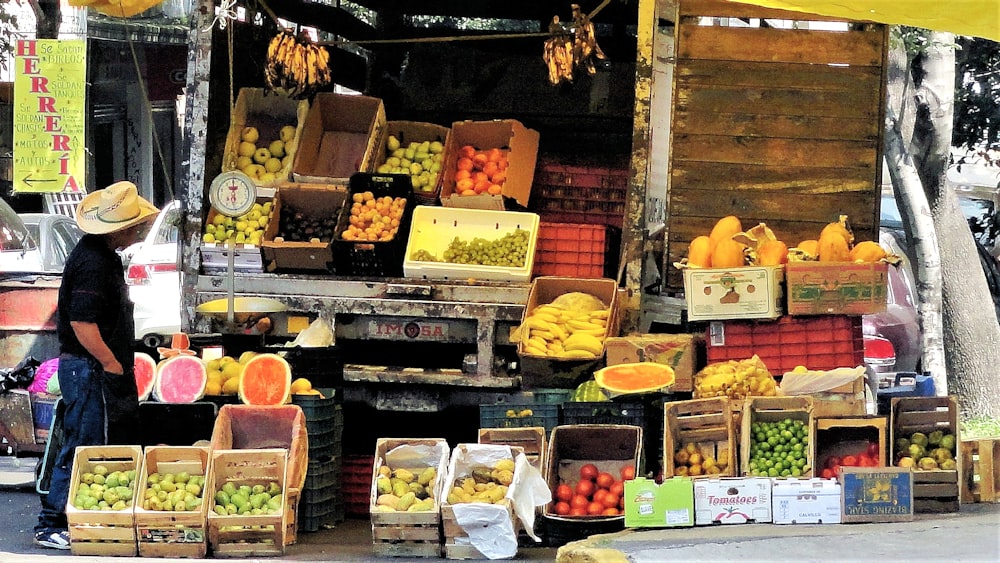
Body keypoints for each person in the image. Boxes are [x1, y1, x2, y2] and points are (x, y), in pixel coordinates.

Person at [34, 181, 159, 549]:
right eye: (133, 226)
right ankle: (51, 523)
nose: (137, 231)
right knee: (82, 447)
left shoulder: (102, 256)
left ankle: (84, 519)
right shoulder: (92, 264)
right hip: (88, 369)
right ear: (118, 228)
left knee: (96, 447)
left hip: (94, 367)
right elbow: (82, 323)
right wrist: (109, 362)